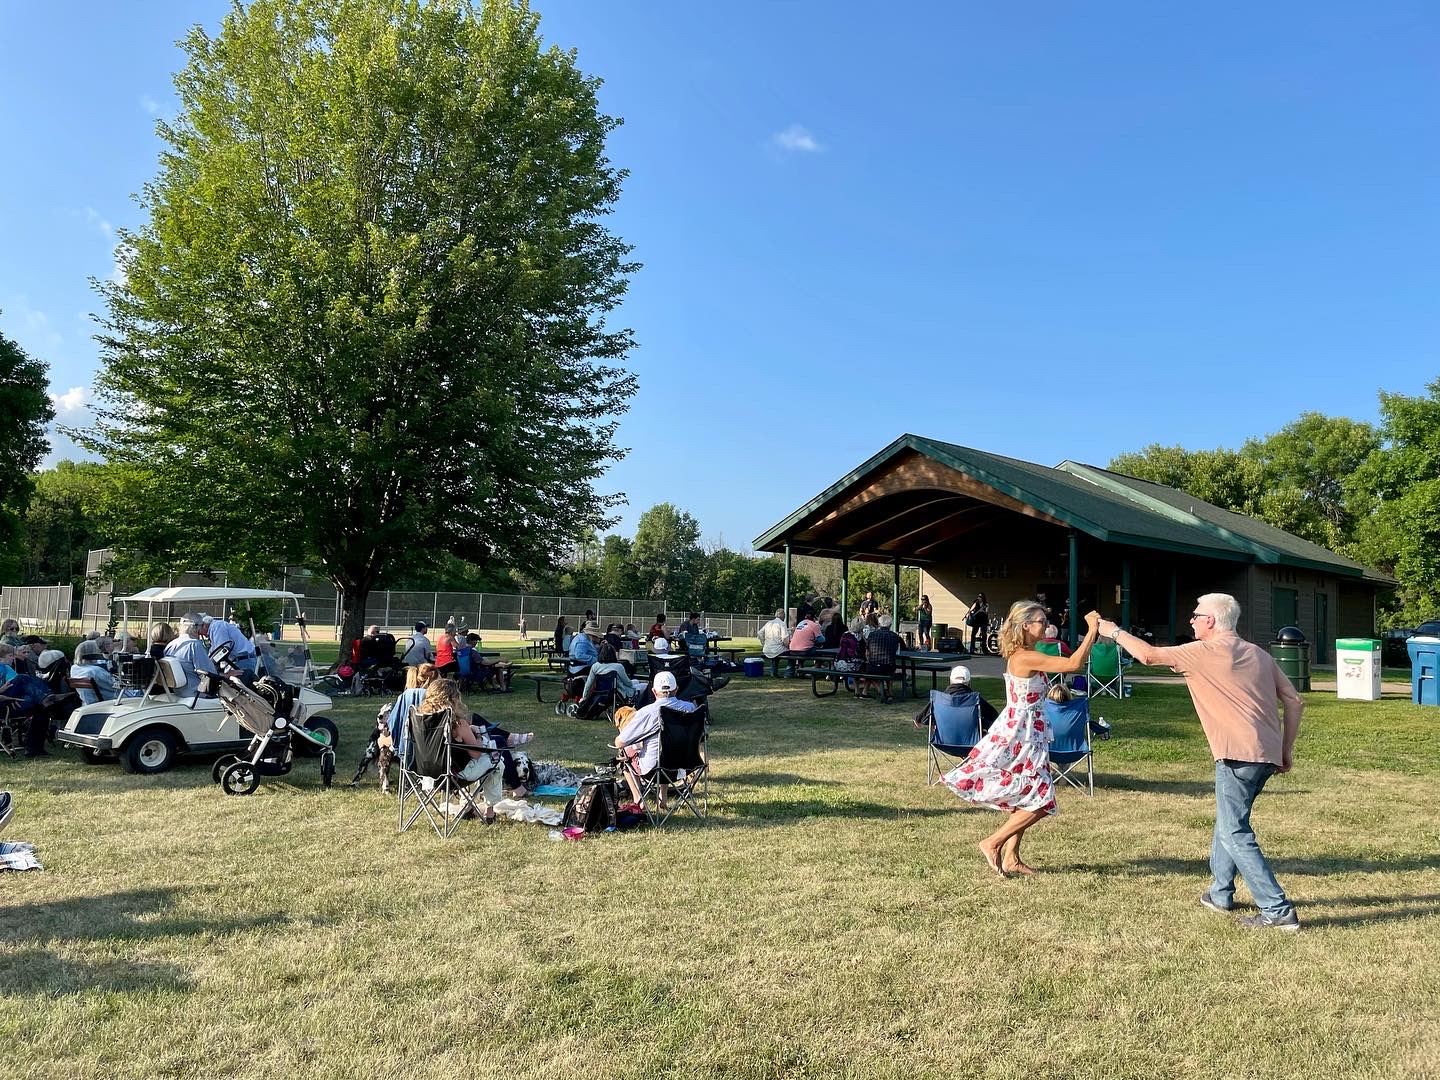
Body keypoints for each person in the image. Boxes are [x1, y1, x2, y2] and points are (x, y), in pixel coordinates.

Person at [1099, 595, 1304, 931]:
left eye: (1195, 616)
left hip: (1237, 755)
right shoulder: (1260, 654)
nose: (1191, 621)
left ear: (1211, 620)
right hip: (1264, 754)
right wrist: (1286, 749)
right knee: (1228, 821)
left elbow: (1149, 656)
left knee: (1236, 831)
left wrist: (1114, 631)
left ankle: (1277, 910)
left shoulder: (1204, 653)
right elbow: (1295, 702)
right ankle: (1220, 893)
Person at [944, 600, 1100, 877]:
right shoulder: (1026, 657)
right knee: (1041, 800)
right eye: (1040, 620)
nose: (1046, 624)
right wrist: (1091, 630)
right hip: (1022, 732)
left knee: (1022, 792)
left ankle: (1012, 857)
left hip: (1027, 729)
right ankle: (992, 842)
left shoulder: (1027, 652)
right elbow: (1074, 664)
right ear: (1026, 626)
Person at [613, 670, 697, 803]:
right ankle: (661, 798)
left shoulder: (646, 712)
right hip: (686, 766)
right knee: (668, 748)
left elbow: (620, 742)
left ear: (653, 691)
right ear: (677, 689)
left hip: (653, 769)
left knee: (624, 752)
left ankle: (638, 799)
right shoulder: (691, 709)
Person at [913, 664, 999, 732]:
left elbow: (920, 720)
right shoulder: (976, 699)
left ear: (950, 681)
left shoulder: (939, 699)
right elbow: (995, 716)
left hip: (943, 742)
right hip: (971, 743)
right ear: (969, 683)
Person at [163, 614, 218, 697]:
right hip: (195, 693)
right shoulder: (194, 645)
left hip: (178, 692)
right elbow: (210, 674)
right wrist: (226, 675)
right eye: (202, 625)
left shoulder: (170, 645)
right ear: (196, 627)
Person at [858, 614, 903, 697]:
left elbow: (867, 651)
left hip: (873, 666)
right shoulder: (895, 636)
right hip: (889, 666)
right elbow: (897, 651)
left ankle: (867, 691)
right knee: (888, 669)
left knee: (869, 669)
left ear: (879, 624)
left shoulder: (872, 635)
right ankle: (887, 691)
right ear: (890, 625)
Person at [580, 642, 634, 709]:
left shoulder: (595, 666)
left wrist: (584, 697)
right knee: (638, 684)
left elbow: (589, 684)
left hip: (600, 692)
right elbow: (627, 682)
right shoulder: (618, 667)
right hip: (616, 692)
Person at [71, 640, 117, 704]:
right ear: (93, 653)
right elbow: (115, 686)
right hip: (108, 703)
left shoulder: (74, 668)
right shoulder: (95, 671)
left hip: (86, 704)